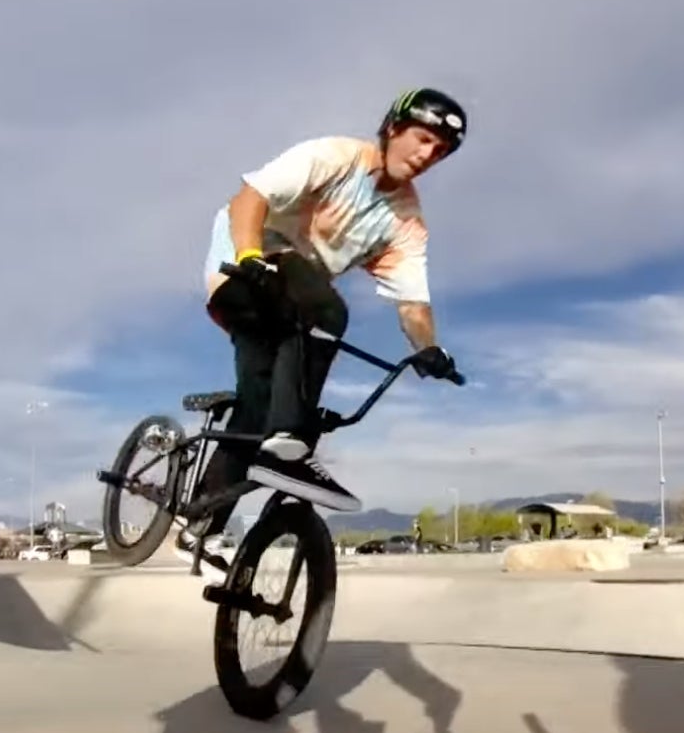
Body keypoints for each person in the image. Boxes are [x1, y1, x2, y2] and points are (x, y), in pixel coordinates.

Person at [176, 88, 468, 572]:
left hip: (287, 307)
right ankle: (288, 446)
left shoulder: (406, 222)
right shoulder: (336, 157)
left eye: (439, 152)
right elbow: (250, 198)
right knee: (325, 311)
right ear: (393, 128)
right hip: (241, 265)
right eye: (422, 140)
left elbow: (412, 301)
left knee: (255, 406)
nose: (426, 156)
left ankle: (202, 521)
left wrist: (430, 349)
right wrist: (249, 257)